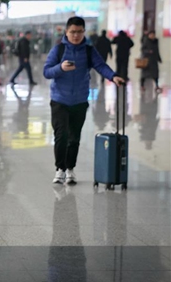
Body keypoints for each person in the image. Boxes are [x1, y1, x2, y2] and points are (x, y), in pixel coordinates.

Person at [43, 16, 124, 185]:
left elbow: (100, 65)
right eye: (73, 32)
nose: (76, 35)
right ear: (66, 32)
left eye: (79, 32)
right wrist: (61, 68)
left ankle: (70, 169)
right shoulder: (58, 50)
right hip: (59, 100)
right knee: (61, 135)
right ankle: (60, 169)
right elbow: (47, 72)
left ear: (83, 32)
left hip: (79, 100)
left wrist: (113, 76)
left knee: (74, 137)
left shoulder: (88, 50)